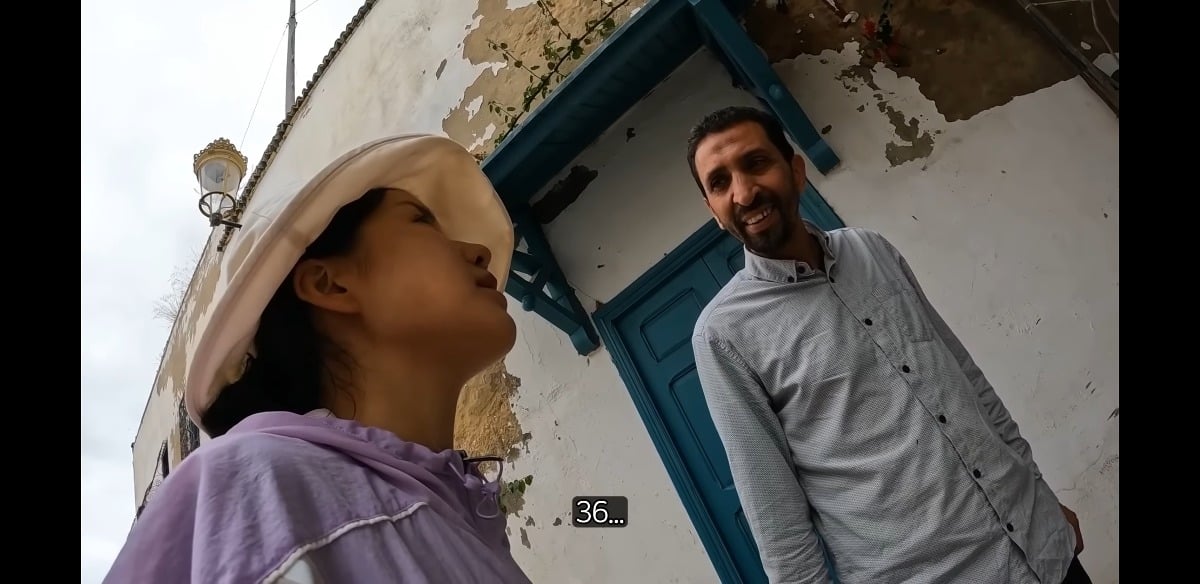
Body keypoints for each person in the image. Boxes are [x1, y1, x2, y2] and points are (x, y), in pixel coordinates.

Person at [686, 107, 1091, 584]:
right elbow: (776, 517)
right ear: (713, 211)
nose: (743, 192)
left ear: (795, 170)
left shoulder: (870, 250)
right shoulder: (724, 335)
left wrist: (1040, 493)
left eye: (755, 163)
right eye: (719, 183)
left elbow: (967, 380)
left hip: (1041, 542)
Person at [104, 135, 533, 584]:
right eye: (422, 221)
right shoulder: (254, 487)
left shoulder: (468, 527)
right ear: (330, 285)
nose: (478, 251)